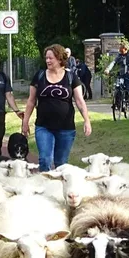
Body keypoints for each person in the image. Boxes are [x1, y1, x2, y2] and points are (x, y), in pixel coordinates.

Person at [22, 44, 92, 172]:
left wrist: (86, 120)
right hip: (44, 126)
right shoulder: (39, 76)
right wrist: (25, 122)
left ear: (60, 59)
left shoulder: (71, 77)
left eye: (51, 58)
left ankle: (59, 189)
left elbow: (79, 101)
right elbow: (31, 101)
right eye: (46, 58)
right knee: (45, 159)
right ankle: (46, 187)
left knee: (61, 163)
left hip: (66, 128)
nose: (47, 61)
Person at [107, 41, 129, 116]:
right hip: (121, 75)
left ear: (125, 49)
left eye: (121, 49)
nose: (120, 51)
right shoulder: (119, 55)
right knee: (118, 88)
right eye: (119, 49)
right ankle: (118, 104)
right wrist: (108, 69)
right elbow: (114, 62)